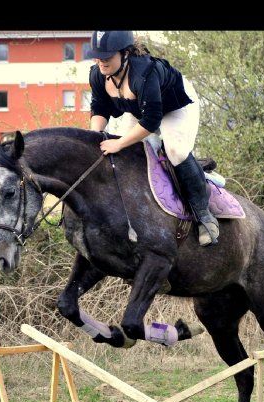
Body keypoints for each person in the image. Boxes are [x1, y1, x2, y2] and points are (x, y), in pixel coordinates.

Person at [88, 30, 219, 246]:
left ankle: (204, 216)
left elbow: (151, 121)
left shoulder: (145, 73)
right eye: (98, 56)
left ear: (125, 53)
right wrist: (94, 137)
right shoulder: (98, 74)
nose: (101, 61)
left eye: (107, 56)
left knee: (175, 150)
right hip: (142, 108)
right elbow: (99, 108)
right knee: (126, 154)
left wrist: (119, 143)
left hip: (175, 104)